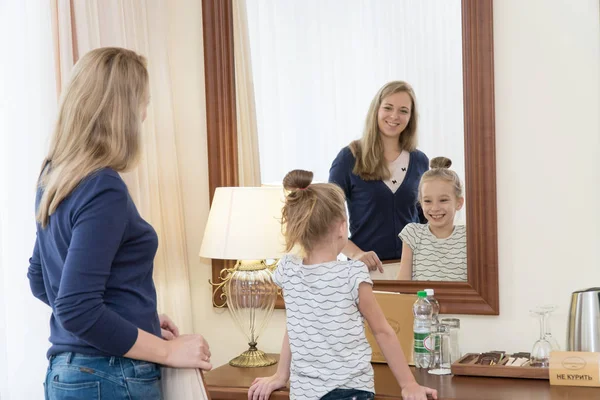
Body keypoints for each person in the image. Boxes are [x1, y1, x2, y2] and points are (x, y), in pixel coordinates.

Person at [27, 47, 211, 400]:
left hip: (67, 374)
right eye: (142, 103)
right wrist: (167, 350)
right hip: (110, 375)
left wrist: (135, 320)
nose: (144, 115)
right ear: (120, 111)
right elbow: (75, 306)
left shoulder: (53, 179)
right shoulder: (103, 187)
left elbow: (41, 280)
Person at [248, 170, 437, 400]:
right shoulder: (352, 274)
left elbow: (295, 327)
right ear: (341, 227)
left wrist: (280, 375)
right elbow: (382, 331)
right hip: (351, 391)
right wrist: (408, 384)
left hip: (304, 394)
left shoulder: (288, 270)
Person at [329, 81, 429, 276]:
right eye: (388, 108)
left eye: (403, 110)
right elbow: (327, 220)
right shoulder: (349, 158)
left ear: (411, 117)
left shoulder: (420, 161)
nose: (394, 116)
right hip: (365, 272)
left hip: (412, 270)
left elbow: (426, 219)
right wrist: (356, 254)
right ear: (376, 110)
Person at [397, 157, 467, 281]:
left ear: (459, 202)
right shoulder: (412, 233)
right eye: (428, 201)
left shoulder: (468, 236)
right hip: (421, 301)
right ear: (421, 203)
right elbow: (403, 285)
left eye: (443, 200)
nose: (435, 208)